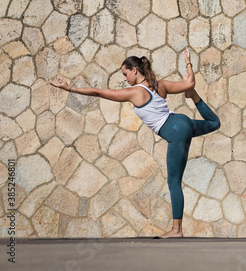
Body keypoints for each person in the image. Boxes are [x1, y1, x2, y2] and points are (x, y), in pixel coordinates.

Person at [50, 48, 221, 238]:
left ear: (134, 70)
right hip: (182, 122)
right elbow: (189, 82)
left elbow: (99, 93)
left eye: (125, 74)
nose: (125, 78)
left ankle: (176, 230)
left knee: (174, 181)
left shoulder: (134, 92)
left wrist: (69, 88)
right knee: (214, 123)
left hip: (175, 131)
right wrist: (188, 62)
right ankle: (194, 97)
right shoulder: (159, 85)